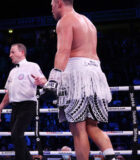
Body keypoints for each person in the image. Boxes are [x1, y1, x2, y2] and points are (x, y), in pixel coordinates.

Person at [45, 0, 115, 160]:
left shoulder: (65, 21)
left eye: (52, 6)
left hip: (77, 74)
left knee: (78, 129)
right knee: (92, 126)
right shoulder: (88, 22)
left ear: (59, 3)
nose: (51, 10)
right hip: (96, 73)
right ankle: (111, 156)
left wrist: (53, 80)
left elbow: (63, 51)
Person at [0, 43, 47, 160]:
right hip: (15, 106)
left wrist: (41, 81)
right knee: (15, 136)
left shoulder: (32, 66)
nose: (10, 55)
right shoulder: (12, 71)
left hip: (28, 104)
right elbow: (9, 92)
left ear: (22, 52)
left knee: (17, 134)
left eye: (13, 52)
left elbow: (44, 80)